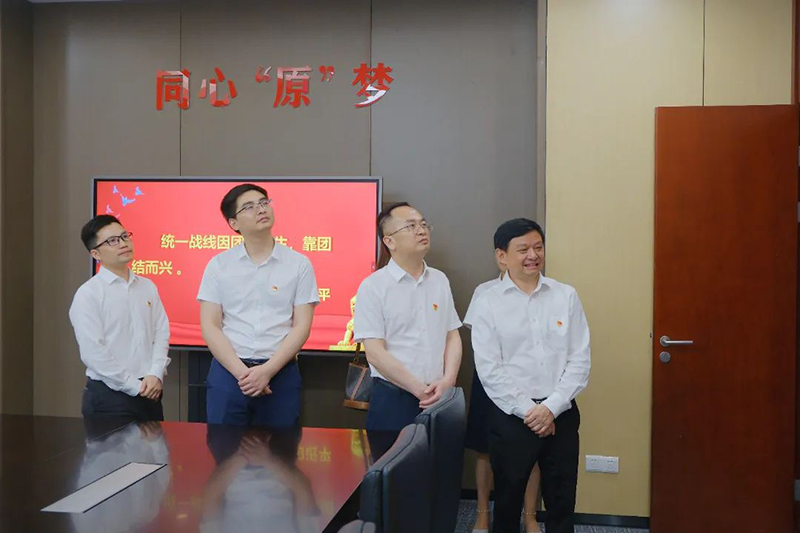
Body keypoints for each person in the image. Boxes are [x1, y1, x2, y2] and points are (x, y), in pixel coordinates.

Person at [471, 218, 590, 533]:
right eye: (523, 249)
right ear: (502, 256)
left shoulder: (565, 296)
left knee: (562, 501)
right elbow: (489, 368)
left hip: (561, 415)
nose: (533, 255)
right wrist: (530, 410)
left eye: (538, 247)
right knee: (507, 502)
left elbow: (580, 359)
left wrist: (551, 407)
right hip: (511, 417)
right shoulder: (487, 302)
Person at [198, 184, 319, 427]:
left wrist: (267, 371)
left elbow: (301, 326)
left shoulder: (298, 264)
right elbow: (210, 326)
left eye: (264, 202)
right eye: (249, 207)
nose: (261, 209)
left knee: (280, 447)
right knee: (224, 447)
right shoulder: (219, 265)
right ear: (234, 223)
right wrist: (243, 374)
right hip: (229, 374)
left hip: (280, 373)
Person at [353, 202, 462, 430]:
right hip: (394, 397)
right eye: (411, 226)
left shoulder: (439, 280)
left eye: (423, 224)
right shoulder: (373, 287)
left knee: (443, 454)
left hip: (440, 395)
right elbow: (375, 352)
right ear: (389, 241)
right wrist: (418, 389)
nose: (421, 231)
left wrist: (448, 380)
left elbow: (452, 335)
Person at [464, 258, 541, 533]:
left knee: (532, 450)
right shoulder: (484, 292)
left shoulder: (543, 292)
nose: (528, 256)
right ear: (501, 256)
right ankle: (483, 513)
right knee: (485, 450)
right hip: (490, 381)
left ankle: (530, 517)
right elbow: (480, 342)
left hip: (530, 382)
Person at [69, 215, 170, 421]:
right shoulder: (88, 294)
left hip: (150, 391)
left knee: (154, 444)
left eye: (124, 236)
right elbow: (93, 352)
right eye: (112, 241)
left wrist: (155, 373)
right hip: (110, 397)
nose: (123, 243)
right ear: (95, 253)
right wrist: (135, 386)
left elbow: (161, 333)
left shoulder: (147, 286)